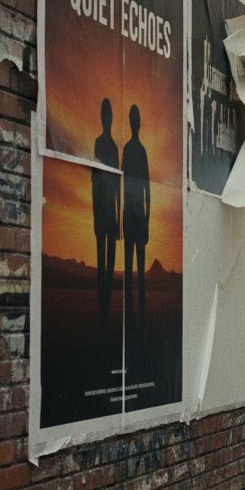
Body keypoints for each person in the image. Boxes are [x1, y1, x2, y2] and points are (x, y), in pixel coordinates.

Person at [92, 97, 120, 324]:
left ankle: (107, 304)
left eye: (108, 114)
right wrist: (94, 215)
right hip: (101, 213)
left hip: (111, 213)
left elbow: (119, 185)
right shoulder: (99, 144)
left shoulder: (113, 147)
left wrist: (119, 219)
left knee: (110, 264)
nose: (106, 118)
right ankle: (102, 306)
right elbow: (95, 182)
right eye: (104, 114)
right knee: (101, 263)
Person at [122, 104, 150, 321]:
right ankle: (131, 312)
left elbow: (147, 188)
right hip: (132, 216)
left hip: (138, 216)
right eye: (133, 119)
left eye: (136, 119)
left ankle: (138, 312)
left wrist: (147, 219)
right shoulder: (131, 150)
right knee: (130, 267)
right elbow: (124, 184)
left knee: (138, 269)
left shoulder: (140, 151)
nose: (134, 123)